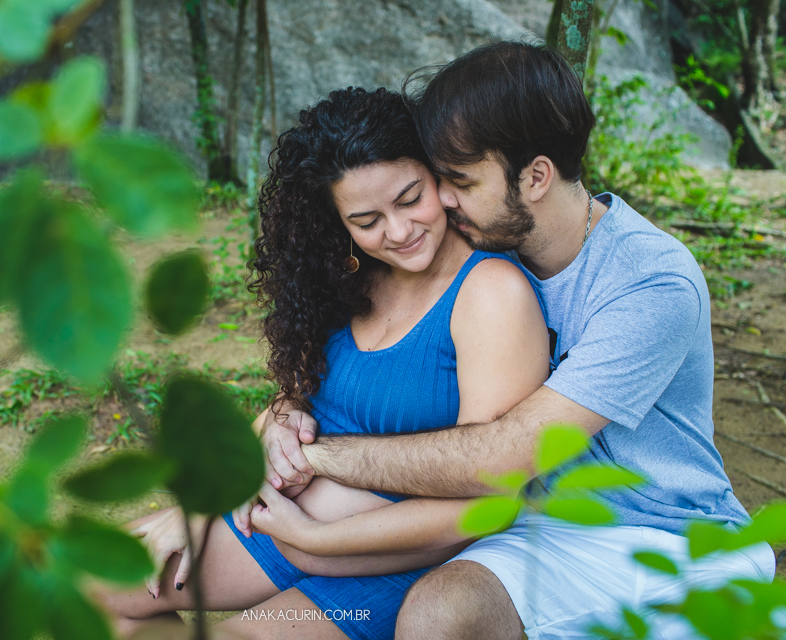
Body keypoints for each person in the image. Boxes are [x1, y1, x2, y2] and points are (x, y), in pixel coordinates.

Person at [259, 42, 776, 640]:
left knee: (438, 613)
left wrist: (318, 454)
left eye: (459, 180)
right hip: (533, 526)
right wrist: (285, 409)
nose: (440, 201)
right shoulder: (481, 247)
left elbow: (503, 456)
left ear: (534, 177)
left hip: (662, 534)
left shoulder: (649, 281)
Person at [92, 86, 549, 640]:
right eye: (366, 219)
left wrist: (313, 542)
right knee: (85, 586)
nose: (399, 232)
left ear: (438, 177)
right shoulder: (351, 277)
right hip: (271, 524)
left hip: (390, 561)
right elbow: (298, 406)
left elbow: (488, 500)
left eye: (410, 199)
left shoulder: (490, 292)